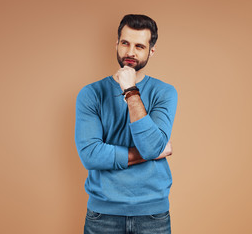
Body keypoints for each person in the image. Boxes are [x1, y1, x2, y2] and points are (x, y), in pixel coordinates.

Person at [75, 14, 178, 234]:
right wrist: (150, 153)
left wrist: (130, 91)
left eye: (139, 46)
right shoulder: (91, 94)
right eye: (125, 43)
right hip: (102, 215)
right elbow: (90, 155)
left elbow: (150, 147)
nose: (130, 52)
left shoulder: (164, 93)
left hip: (153, 215)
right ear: (117, 44)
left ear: (151, 51)